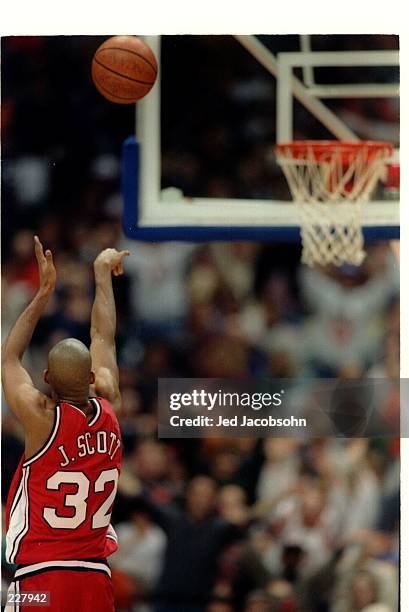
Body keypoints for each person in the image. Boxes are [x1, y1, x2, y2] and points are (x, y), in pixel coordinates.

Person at [2, 236, 129, 612]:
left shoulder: (41, 419)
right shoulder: (110, 404)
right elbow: (103, 336)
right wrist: (102, 273)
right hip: (95, 580)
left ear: (45, 379)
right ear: (92, 378)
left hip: (42, 577)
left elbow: (9, 358)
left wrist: (43, 292)